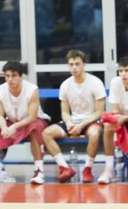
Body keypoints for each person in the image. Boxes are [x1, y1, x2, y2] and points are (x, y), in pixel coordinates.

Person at [41, 50, 106, 184]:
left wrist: (81, 125)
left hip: (91, 120)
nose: (74, 67)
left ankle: (87, 169)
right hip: (73, 121)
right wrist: (69, 123)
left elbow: (99, 112)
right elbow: (65, 112)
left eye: (77, 64)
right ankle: (64, 168)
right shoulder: (65, 85)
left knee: (94, 134)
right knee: (46, 133)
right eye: (71, 64)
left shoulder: (95, 82)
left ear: (84, 65)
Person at [0, 60, 50, 185]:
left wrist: (14, 126)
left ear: (21, 76)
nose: (10, 79)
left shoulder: (32, 89)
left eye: (13, 76)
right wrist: (3, 127)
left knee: (34, 129)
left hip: (33, 120)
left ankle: (39, 170)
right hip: (12, 121)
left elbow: (32, 117)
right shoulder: (0, 90)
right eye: (7, 76)